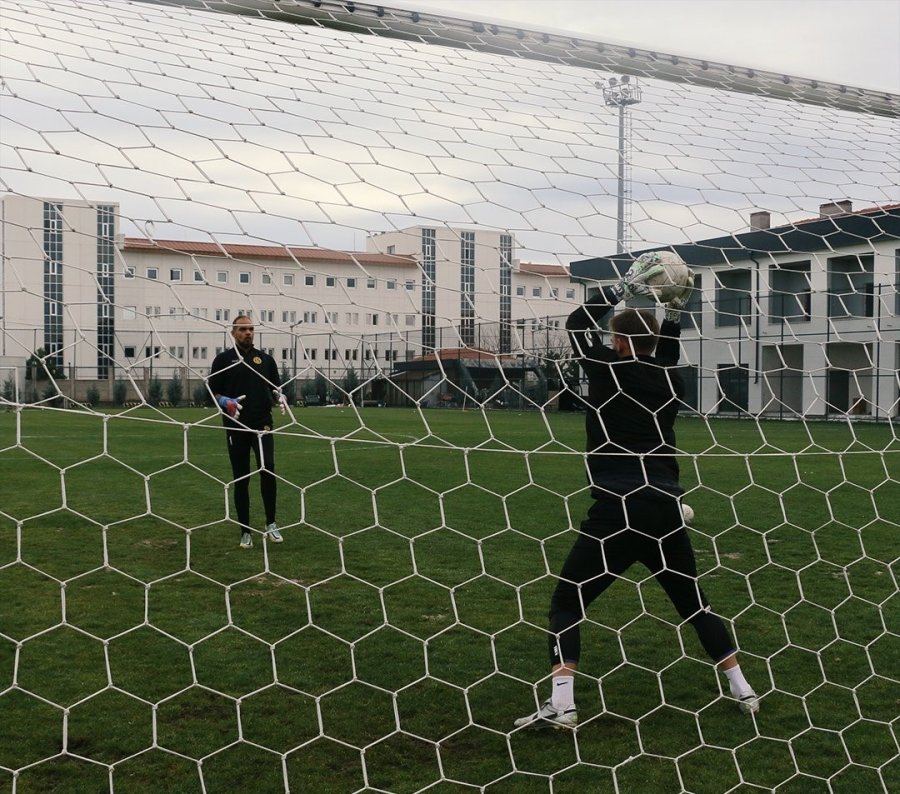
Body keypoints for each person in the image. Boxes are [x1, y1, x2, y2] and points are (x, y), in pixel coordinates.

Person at [514, 255, 758, 730]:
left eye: (615, 337)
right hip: (666, 507)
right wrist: (674, 307)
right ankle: (743, 689)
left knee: (568, 603)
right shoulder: (672, 377)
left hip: (618, 508)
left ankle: (563, 706)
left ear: (619, 340)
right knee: (695, 605)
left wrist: (623, 288)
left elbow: (576, 324)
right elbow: (666, 344)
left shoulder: (606, 368)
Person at [209, 315, 289, 549]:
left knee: (268, 471)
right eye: (243, 329)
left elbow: (277, 388)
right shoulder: (223, 360)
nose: (248, 333)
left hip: (262, 423)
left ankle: (271, 524)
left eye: (251, 329)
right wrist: (225, 401)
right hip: (236, 426)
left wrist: (281, 397)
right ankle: (245, 531)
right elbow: (211, 392)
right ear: (233, 332)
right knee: (241, 477)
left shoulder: (264, 359)